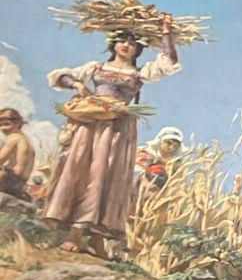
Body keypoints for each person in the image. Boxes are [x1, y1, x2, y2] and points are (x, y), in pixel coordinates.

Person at [42, 16, 180, 255]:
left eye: (132, 43)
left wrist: (166, 32)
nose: (126, 45)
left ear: (138, 49)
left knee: (106, 176)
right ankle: (74, 233)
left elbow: (169, 62)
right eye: (122, 40)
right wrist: (78, 86)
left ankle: (97, 237)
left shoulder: (140, 73)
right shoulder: (96, 68)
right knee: (81, 170)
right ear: (113, 44)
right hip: (90, 126)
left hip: (118, 128)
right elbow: (59, 76)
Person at [0, 107, 34, 198]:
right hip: (21, 184)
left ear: (18, 123)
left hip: (10, 181)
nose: (3, 128)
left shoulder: (14, 137)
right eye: (0, 125)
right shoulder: (25, 138)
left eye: (7, 124)